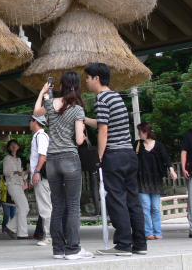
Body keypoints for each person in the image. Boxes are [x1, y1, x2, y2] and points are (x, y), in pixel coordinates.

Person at [84, 62, 147, 256]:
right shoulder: (116, 97)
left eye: (87, 77)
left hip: (114, 155)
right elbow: (103, 123)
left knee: (117, 200)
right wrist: (83, 119)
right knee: (133, 200)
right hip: (128, 154)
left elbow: (104, 131)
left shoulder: (101, 98)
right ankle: (140, 243)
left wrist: (99, 158)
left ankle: (122, 244)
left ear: (96, 78)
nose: (85, 81)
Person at [33, 72, 92, 260]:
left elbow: (36, 113)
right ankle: (73, 249)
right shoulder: (78, 109)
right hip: (69, 158)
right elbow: (79, 140)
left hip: (52, 160)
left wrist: (43, 92)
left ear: (61, 85)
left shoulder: (51, 103)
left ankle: (58, 249)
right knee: (73, 206)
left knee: (57, 206)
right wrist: (82, 131)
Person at [137, 123, 178, 240]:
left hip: (155, 180)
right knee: (145, 207)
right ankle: (148, 232)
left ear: (147, 132)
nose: (139, 133)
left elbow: (166, 158)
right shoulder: (137, 144)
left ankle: (158, 231)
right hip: (142, 180)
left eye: (141, 131)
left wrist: (172, 170)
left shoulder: (159, 145)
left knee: (155, 207)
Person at [29, 115, 52, 247]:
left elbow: (43, 155)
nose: (29, 123)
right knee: (46, 205)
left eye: (30, 121)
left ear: (35, 121)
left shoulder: (40, 136)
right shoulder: (40, 136)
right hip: (43, 176)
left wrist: (36, 172)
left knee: (45, 206)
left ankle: (48, 235)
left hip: (42, 177)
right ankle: (49, 234)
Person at [1, 139, 31, 239]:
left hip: (18, 184)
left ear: (18, 147)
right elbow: (5, 172)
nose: (13, 146)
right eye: (11, 144)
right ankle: (22, 233)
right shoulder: (7, 158)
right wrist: (14, 172)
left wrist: (26, 172)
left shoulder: (19, 160)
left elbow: (21, 175)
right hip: (12, 185)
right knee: (23, 208)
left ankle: (10, 227)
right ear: (9, 148)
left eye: (15, 144)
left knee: (26, 208)